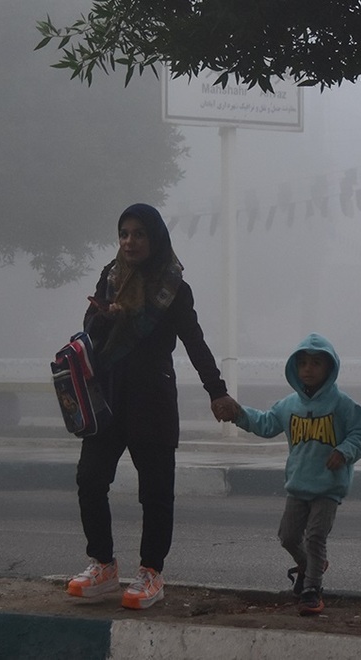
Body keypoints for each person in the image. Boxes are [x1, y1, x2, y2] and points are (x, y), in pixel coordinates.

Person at [66, 203, 238, 610]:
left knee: (156, 491)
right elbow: (89, 329)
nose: (130, 242)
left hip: (153, 399)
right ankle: (103, 564)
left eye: (139, 234)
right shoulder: (110, 278)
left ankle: (151, 572)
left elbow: (194, 341)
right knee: (90, 479)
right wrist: (106, 318)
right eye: (124, 233)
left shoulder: (174, 288)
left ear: (155, 238)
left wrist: (217, 390)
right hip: (109, 397)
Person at [229, 333, 361, 615]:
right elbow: (266, 424)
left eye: (316, 363)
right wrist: (238, 414)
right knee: (288, 536)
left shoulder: (343, 404)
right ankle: (309, 565)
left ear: (330, 368)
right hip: (298, 485)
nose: (308, 369)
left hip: (329, 487)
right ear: (294, 368)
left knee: (316, 536)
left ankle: (311, 589)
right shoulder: (288, 405)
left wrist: (344, 451)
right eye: (303, 363)